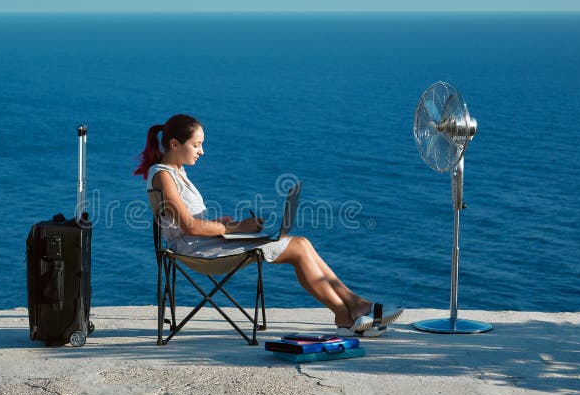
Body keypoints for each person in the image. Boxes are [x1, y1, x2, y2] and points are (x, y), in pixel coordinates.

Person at [134, 114, 403, 336]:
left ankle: (352, 309)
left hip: (205, 243)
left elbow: (188, 223)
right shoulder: (164, 176)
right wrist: (233, 229)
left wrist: (234, 225)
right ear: (174, 144)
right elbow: (190, 227)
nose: (202, 151)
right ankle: (347, 313)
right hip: (197, 252)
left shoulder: (177, 172)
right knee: (297, 248)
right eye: (197, 145)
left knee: (302, 243)